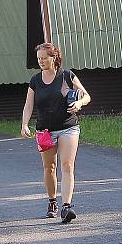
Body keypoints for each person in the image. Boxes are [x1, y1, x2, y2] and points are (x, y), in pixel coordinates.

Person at [21, 43, 91, 223]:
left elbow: (86, 95)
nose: (41, 61)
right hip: (44, 130)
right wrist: (24, 124)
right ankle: (52, 201)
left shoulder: (67, 76)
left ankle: (66, 206)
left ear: (54, 58)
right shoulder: (35, 81)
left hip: (68, 126)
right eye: (39, 59)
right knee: (49, 167)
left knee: (67, 165)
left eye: (44, 58)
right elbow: (29, 105)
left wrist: (79, 103)